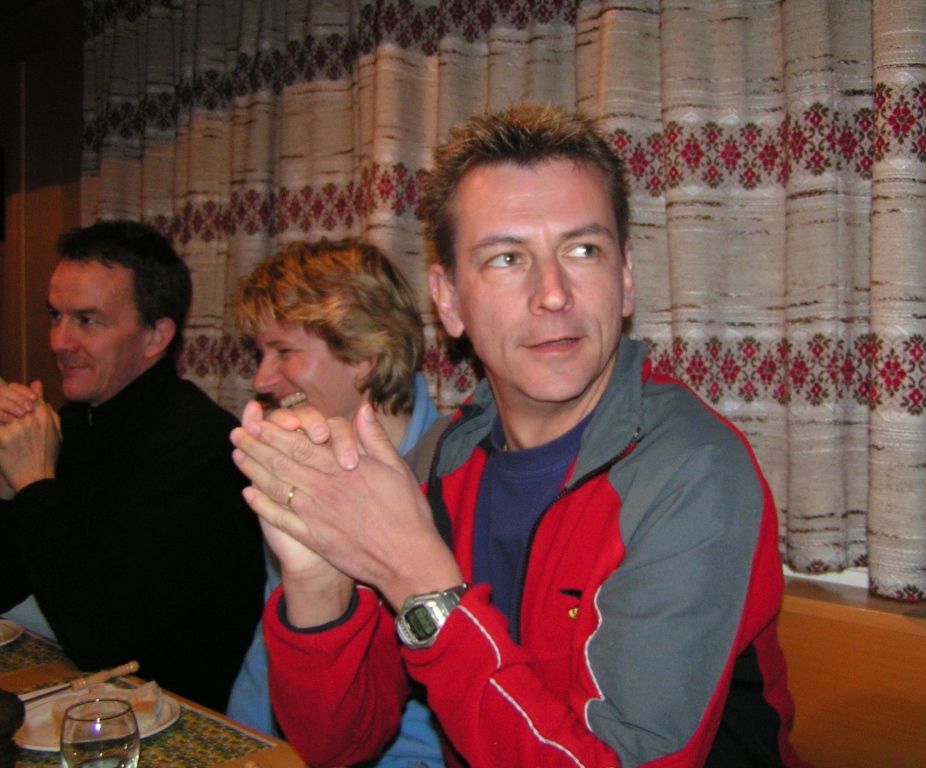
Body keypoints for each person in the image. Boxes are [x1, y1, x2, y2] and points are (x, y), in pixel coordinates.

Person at [231, 105, 809, 767]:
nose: (553, 294)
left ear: (624, 280)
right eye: (507, 258)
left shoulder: (692, 471)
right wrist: (315, 581)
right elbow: (340, 745)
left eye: (583, 250)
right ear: (448, 301)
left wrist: (422, 582)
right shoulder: (438, 462)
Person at [0, 220, 265, 713]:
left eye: (87, 320)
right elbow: (13, 585)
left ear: (155, 336)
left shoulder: (200, 448)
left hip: (182, 722)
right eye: (56, 315)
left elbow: (98, 634)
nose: (60, 340)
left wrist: (35, 483)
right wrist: (7, 486)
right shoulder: (76, 421)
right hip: (81, 695)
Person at [227, 238, 445, 767]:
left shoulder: (456, 480)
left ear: (364, 356)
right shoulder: (299, 456)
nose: (260, 380)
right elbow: (266, 658)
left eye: (284, 351)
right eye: (261, 353)